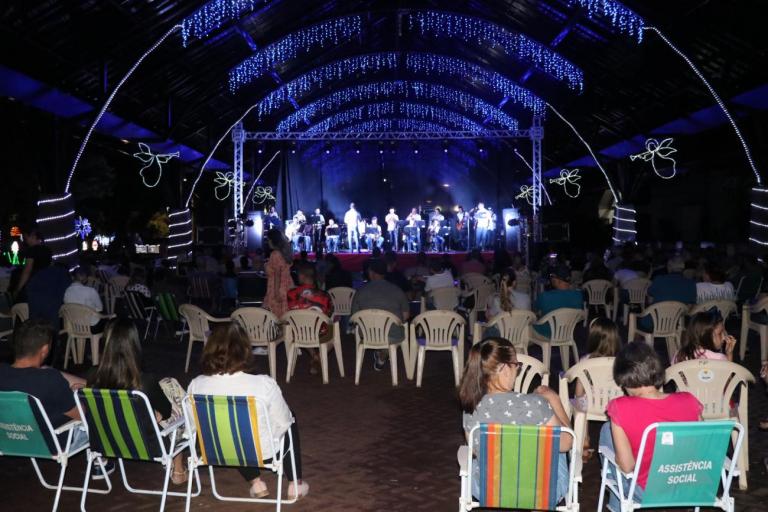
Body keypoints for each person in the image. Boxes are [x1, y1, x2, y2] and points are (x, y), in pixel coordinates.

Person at [187, 322, 309, 499]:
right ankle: (294, 485)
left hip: (218, 450)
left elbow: (193, 425)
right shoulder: (263, 384)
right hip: (262, 451)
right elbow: (283, 422)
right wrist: (271, 435)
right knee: (289, 419)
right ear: (244, 350)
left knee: (229, 431)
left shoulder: (196, 385)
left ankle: (257, 483)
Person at [458, 338, 572, 502]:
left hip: (490, 490)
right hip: (539, 491)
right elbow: (568, 443)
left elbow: (475, 451)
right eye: (516, 366)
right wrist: (554, 400)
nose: (517, 371)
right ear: (504, 368)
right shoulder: (536, 404)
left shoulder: (470, 409)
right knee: (556, 443)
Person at [600, 342, 702, 509]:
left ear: (623, 375)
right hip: (690, 487)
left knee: (607, 430)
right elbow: (701, 447)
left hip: (647, 491)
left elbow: (626, 467)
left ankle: (617, 507)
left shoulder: (620, 407)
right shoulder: (689, 401)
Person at [88, 319, 186, 483]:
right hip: (148, 445)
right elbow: (167, 412)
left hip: (107, 442)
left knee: (168, 384)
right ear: (133, 346)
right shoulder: (144, 382)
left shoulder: (92, 378)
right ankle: (178, 470)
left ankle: (102, 462)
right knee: (175, 403)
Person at [0, 320, 90, 456]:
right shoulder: (49, 379)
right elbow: (81, 414)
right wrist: (76, 394)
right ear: (45, 349)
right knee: (97, 411)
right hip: (50, 444)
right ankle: (99, 464)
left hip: (10, 440)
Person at [572, 317, 622, 458]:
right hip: (616, 403)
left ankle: (585, 439)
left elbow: (579, 391)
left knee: (579, 402)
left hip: (592, 405)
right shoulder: (623, 361)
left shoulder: (585, 361)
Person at [350, 259, 410, 371]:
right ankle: (382, 355)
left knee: (380, 333)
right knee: (394, 334)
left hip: (367, 334)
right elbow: (405, 316)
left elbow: (354, 317)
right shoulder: (397, 290)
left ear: (371, 272)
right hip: (393, 334)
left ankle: (381, 352)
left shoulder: (360, 292)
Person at [287, 264, 334, 375]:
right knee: (333, 336)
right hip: (320, 332)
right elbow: (329, 313)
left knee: (300, 330)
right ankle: (317, 357)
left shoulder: (290, 294)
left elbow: (289, 311)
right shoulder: (325, 295)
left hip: (299, 332)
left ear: (302, 276)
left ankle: (314, 356)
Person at [533, 264, 583, 338]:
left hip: (546, 333)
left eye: (552, 277)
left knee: (525, 327)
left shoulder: (545, 296)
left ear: (557, 280)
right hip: (567, 333)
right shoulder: (579, 295)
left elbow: (535, 312)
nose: (551, 279)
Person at [64, 265, 107, 332]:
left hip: (74, 324)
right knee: (106, 320)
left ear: (73, 278)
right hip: (91, 325)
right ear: (86, 278)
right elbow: (100, 308)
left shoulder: (66, 291)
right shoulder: (91, 291)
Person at [263, 229, 294, 319]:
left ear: (273, 240)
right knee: (284, 316)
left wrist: (276, 293)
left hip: (276, 288)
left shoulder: (275, 254)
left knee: (274, 316)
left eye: (268, 239)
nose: (267, 242)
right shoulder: (284, 253)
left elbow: (277, 275)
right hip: (287, 287)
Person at [13, 229, 53, 296]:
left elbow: (27, 270)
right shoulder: (47, 249)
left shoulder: (31, 250)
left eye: (26, 238)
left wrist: (18, 289)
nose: (26, 241)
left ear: (33, 237)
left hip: (35, 282)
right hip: (48, 281)